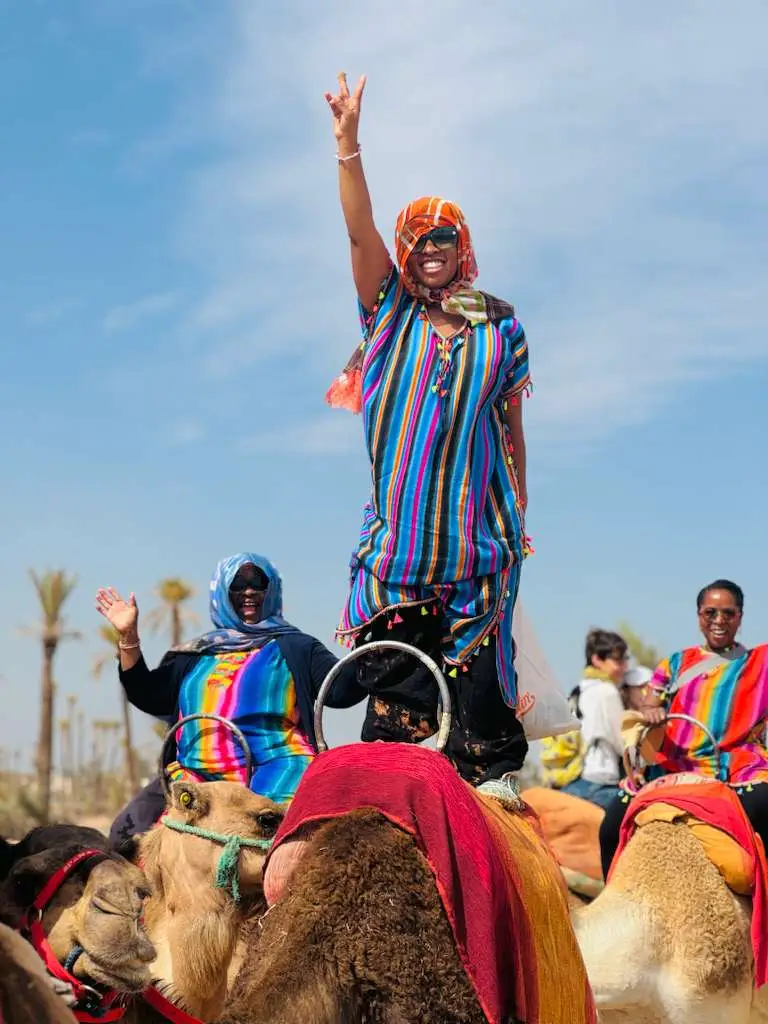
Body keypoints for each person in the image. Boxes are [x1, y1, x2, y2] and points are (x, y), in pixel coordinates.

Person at [323, 73, 532, 804]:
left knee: (482, 746)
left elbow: (510, 428)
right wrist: (348, 145)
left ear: (462, 244)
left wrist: (522, 513)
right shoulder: (387, 313)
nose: (432, 247)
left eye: (445, 236)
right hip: (399, 554)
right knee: (396, 727)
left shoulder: (501, 326)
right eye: (419, 238)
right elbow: (359, 230)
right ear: (406, 251)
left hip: (477, 549)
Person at [96, 552, 364, 842]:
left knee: (291, 845)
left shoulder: (297, 647)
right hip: (196, 777)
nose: (248, 591)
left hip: (278, 772)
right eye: (237, 584)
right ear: (222, 593)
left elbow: (342, 690)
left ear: (271, 590)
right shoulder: (194, 655)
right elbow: (147, 694)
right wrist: (128, 636)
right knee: (126, 836)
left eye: (257, 583)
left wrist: (370, 634)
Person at [599, 579, 768, 878]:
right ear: (699, 615)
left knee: (764, 804)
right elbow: (650, 704)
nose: (719, 621)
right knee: (610, 827)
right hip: (672, 766)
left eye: (728, 613)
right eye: (710, 613)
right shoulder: (675, 663)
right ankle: (609, 890)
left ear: (740, 617)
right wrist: (651, 712)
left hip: (736, 766)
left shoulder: (760, 661)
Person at [556, 630, 629, 809]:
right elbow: (623, 743)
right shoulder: (607, 691)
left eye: (625, 659)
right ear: (597, 659)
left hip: (573, 782)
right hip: (601, 782)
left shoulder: (577, 690)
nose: (623, 666)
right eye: (618, 660)